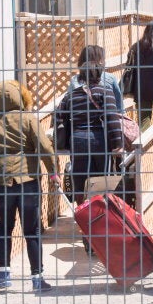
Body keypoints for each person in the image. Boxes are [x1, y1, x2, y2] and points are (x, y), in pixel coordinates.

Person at [0, 80, 61, 292]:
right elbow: (45, 148)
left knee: (4, 229)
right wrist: (53, 172)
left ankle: (3, 276)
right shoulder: (28, 119)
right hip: (28, 181)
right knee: (33, 230)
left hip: (1, 183)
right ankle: (37, 279)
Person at [57, 63, 124, 207]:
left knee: (81, 180)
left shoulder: (71, 95)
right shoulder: (105, 92)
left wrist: (64, 141)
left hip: (77, 141)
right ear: (100, 74)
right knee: (102, 179)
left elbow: (59, 117)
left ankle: (83, 214)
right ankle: (100, 214)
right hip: (99, 140)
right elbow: (112, 118)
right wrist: (118, 144)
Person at [68, 45, 124, 114]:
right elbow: (119, 105)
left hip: (81, 120)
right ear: (99, 61)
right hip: (106, 120)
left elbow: (68, 103)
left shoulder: (75, 80)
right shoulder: (110, 78)